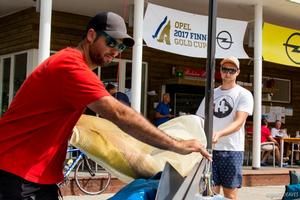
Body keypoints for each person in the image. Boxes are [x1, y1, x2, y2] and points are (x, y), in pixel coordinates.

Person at [0, 12, 210, 199]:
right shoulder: (69, 65)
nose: (116, 51)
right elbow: (118, 113)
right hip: (16, 169)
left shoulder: (75, 67)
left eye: (120, 47)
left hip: (36, 174)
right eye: (111, 42)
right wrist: (176, 145)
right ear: (91, 35)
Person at [196, 56, 254, 200]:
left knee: (230, 194)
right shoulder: (211, 93)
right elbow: (200, 119)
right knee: (210, 193)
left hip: (232, 150)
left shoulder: (244, 94)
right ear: (220, 71)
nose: (227, 73)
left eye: (231, 70)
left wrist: (219, 133)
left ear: (237, 72)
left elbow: (239, 121)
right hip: (209, 150)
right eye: (224, 69)